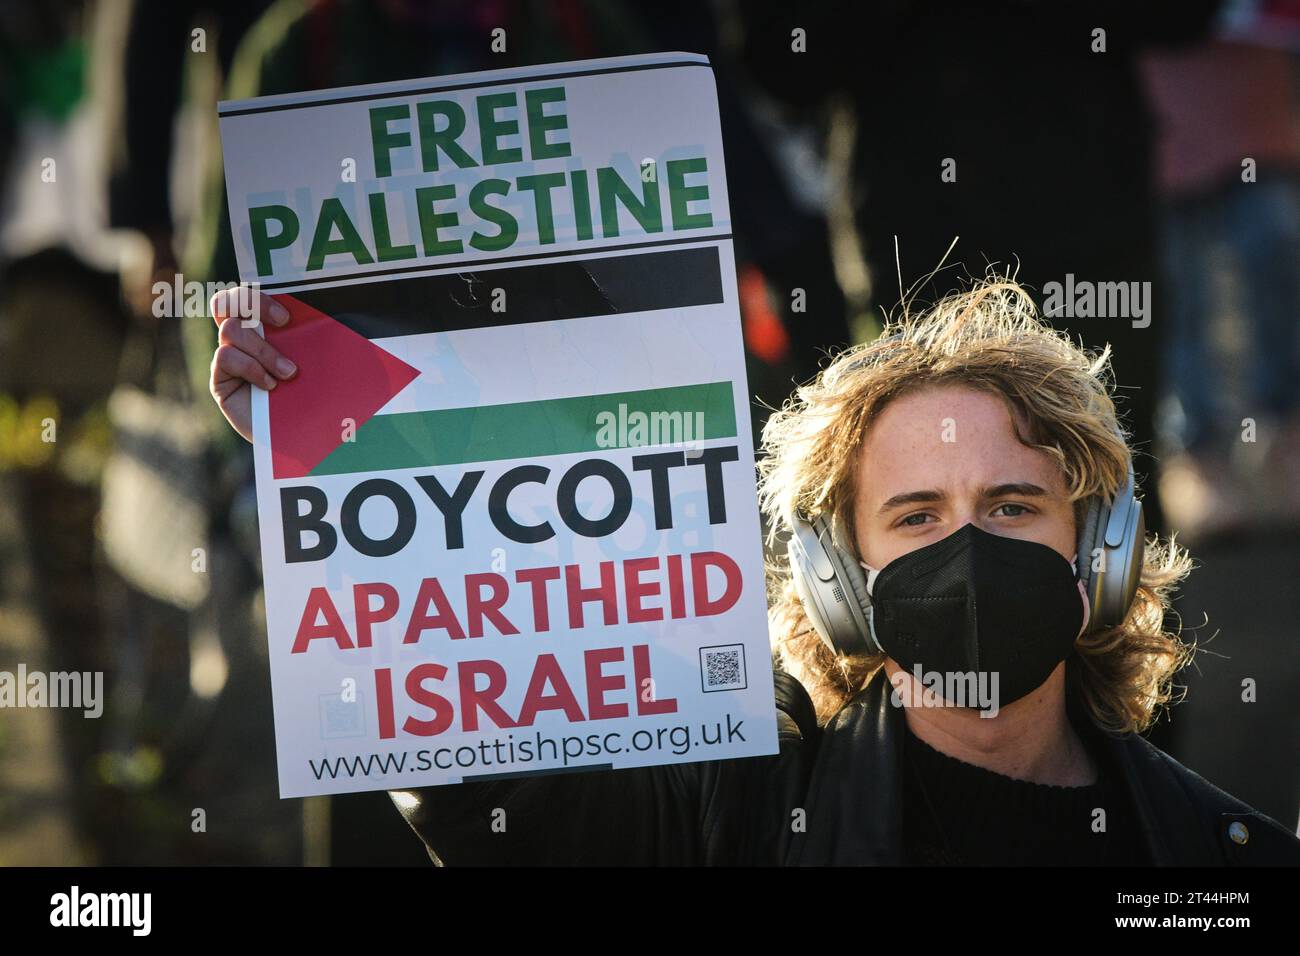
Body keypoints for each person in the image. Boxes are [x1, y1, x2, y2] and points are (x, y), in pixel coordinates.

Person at [207, 277, 1300, 865]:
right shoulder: (733, 797)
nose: (965, 549)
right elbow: (485, 784)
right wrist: (338, 457)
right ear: (838, 573)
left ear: (1095, 548)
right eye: (914, 515)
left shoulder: (1219, 854)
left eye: (1011, 506)